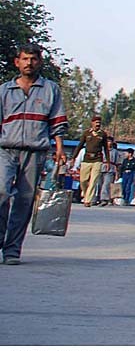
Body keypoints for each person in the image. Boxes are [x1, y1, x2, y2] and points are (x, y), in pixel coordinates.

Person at [0, 44, 67, 265]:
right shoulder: (4, 90)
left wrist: (59, 149)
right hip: (6, 150)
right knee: (1, 193)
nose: (29, 63)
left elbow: (57, 122)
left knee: (24, 201)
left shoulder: (50, 89)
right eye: (25, 59)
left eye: (34, 59)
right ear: (17, 62)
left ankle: (12, 250)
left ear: (40, 62)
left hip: (35, 151)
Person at [73, 114, 110, 207]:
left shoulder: (103, 134)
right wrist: (73, 158)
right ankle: (85, 194)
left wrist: (108, 162)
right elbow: (80, 145)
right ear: (92, 123)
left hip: (97, 160)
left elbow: (106, 148)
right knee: (83, 180)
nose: (98, 125)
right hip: (86, 159)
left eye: (99, 123)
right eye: (96, 123)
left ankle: (87, 200)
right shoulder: (86, 133)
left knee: (93, 181)